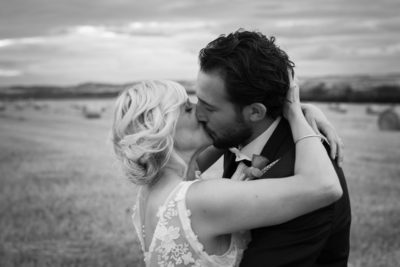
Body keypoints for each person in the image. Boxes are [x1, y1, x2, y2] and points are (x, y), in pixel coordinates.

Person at [112, 79, 342, 267]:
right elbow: (323, 185)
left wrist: (303, 109)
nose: (202, 113)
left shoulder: (152, 190)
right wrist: (294, 113)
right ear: (162, 128)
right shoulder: (199, 199)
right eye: (189, 109)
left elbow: (227, 132)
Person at [195, 30, 351, 267]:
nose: (198, 115)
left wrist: (298, 112)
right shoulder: (237, 134)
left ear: (256, 112)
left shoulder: (310, 183)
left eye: (210, 107)